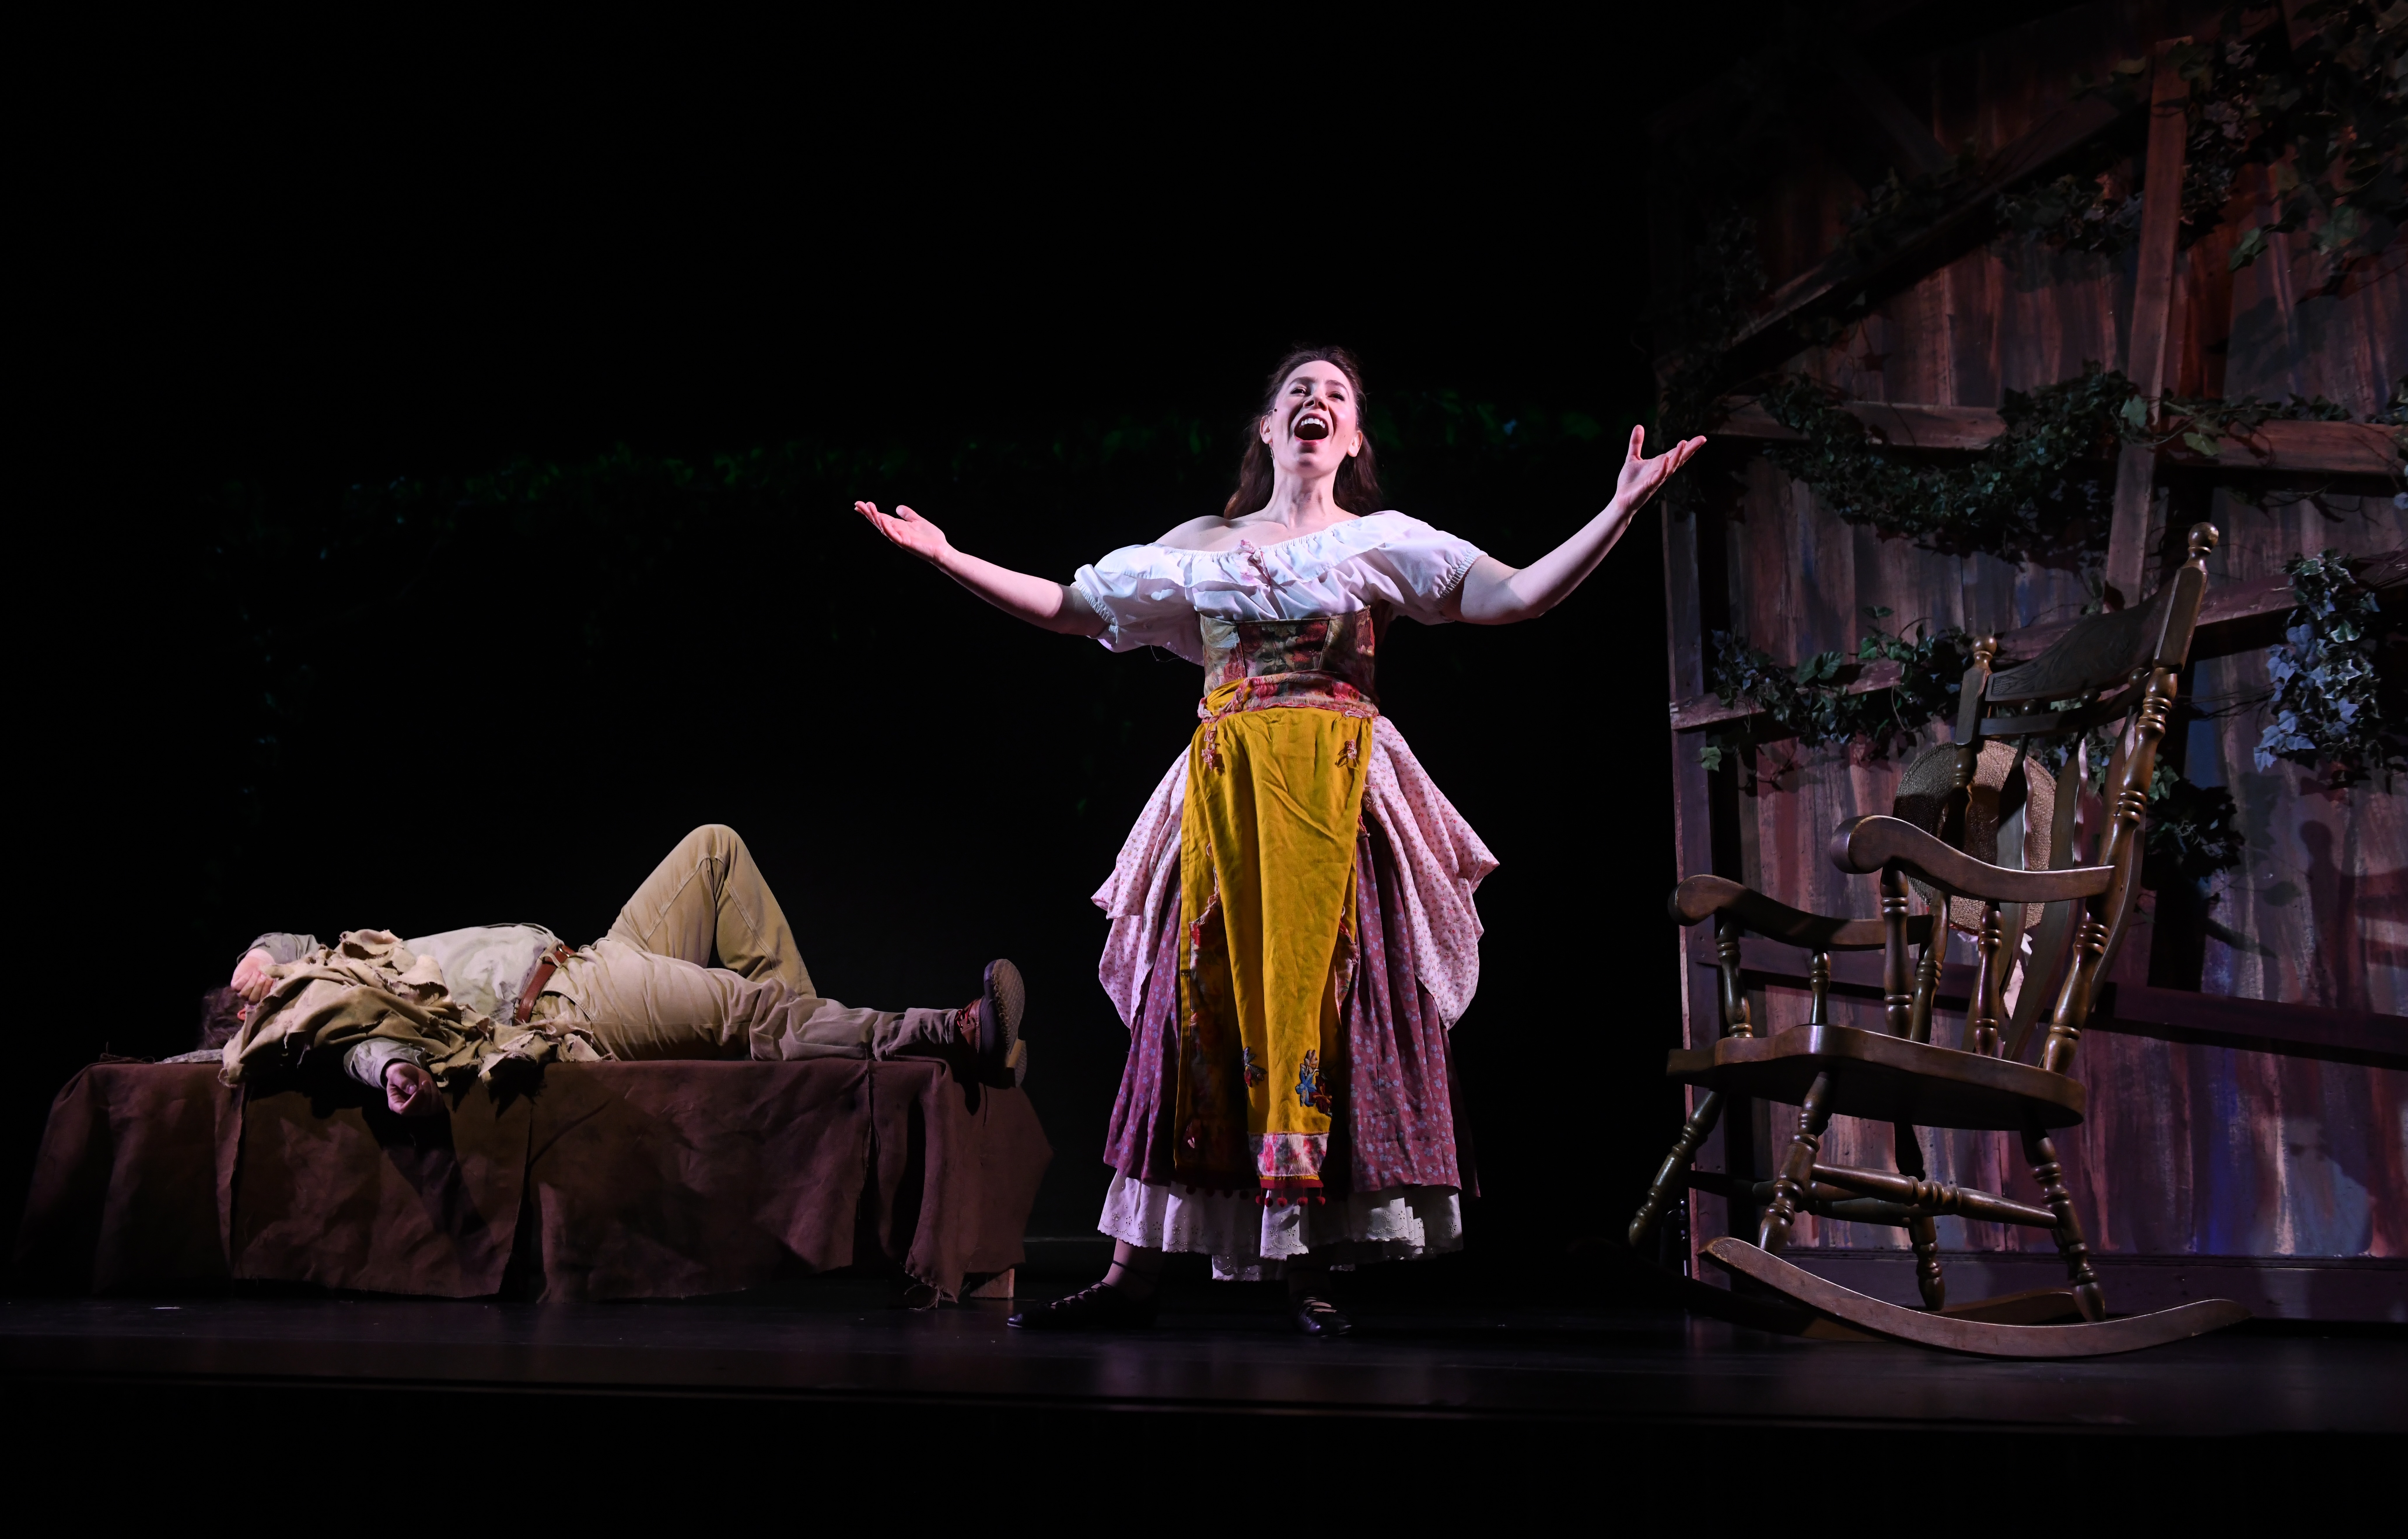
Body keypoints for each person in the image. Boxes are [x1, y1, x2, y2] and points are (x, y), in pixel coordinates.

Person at [857, 346, 1699, 1335]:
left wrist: (1620, 510)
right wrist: (949, 556)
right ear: (1268, 428)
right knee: (1195, 1014)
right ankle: (1131, 1274)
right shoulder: (1205, 544)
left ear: (1353, 439)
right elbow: (1074, 609)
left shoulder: (1383, 541)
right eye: (1298, 390)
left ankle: (1310, 1273)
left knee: (1336, 1011)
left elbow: (1515, 596)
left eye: (1336, 395)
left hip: (1339, 797)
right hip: (1226, 803)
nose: (1316, 400)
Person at [193, 823, 1028, 1113]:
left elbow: (288, 942)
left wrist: (259, 954)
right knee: (753, 1015)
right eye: (250, 991)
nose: (265, 971)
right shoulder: (322, 1021)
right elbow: (365, 1058)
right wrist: (397, 1074)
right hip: (572, 1004)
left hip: (588, 953)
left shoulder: (327, 968)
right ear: (253, 1022)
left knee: (714, 852)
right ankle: (939, 1033)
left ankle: (825, 1086)